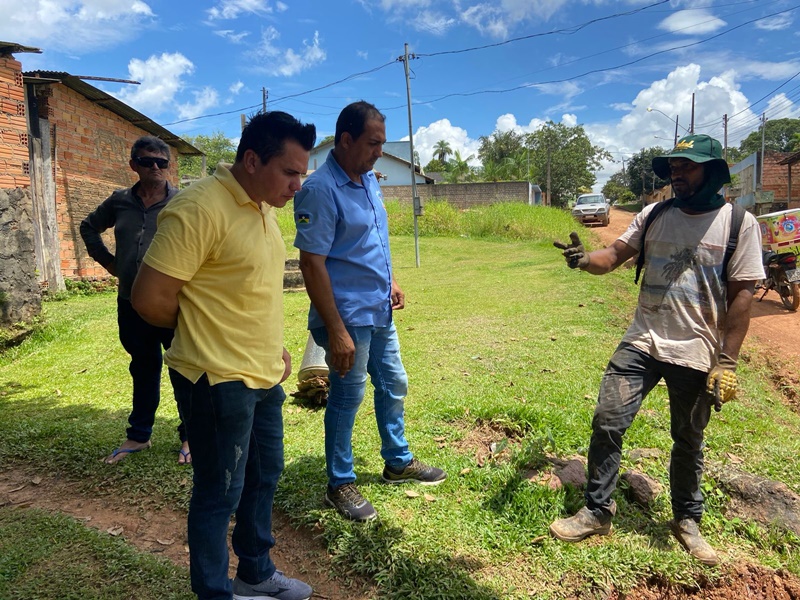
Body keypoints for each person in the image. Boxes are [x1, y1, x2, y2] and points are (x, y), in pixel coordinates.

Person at [549, 134, 763, 566]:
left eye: (687, 166)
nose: (677, 175)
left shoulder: (739, 224)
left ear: (712, 171)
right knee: (608, 420)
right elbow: (613, 255)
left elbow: (742, 295)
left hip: (697, 350)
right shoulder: (654, 214)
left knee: (688, 438)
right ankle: (597, 511)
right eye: (673, 168)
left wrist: (727, 359)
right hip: (643, 339)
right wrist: (583, 259)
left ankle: (687, 520)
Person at [131, 112, 315, 600]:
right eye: (290, 172)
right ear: (252, 160)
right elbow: (150, 298)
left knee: (263, 478)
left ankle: (254, 571)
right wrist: (205, 339)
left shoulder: (261, 206)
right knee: (219, 494)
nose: (297, 184)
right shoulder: (198, 208)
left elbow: (244, 290)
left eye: (303, 174)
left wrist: (269, 347)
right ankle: (214, 593)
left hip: (262, 377)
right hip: (215, 382)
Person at [293, 100, 446, 523]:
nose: (380, 150)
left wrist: (391, 280)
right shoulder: (320, 190)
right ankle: (340, 482)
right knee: (348, 396)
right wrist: (336, 331)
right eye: (373, 142)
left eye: (381, 142)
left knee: (394, 381)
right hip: (347, 318)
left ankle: (397, 462)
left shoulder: (368, 180)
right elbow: (312, 264)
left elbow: (374, 240)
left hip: (378, 309)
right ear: (345, 140)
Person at [80, 135, 190, 465]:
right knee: (142, 368)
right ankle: (139, 435)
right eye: (147, 162)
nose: (155, 167)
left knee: (183, 370)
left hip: (172, 304)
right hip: (130, 302)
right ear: (134, 165)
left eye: (162, 162)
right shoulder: (119, 201)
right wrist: (109, 262)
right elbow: (88, 227)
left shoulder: (182, 202)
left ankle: (190, 437)